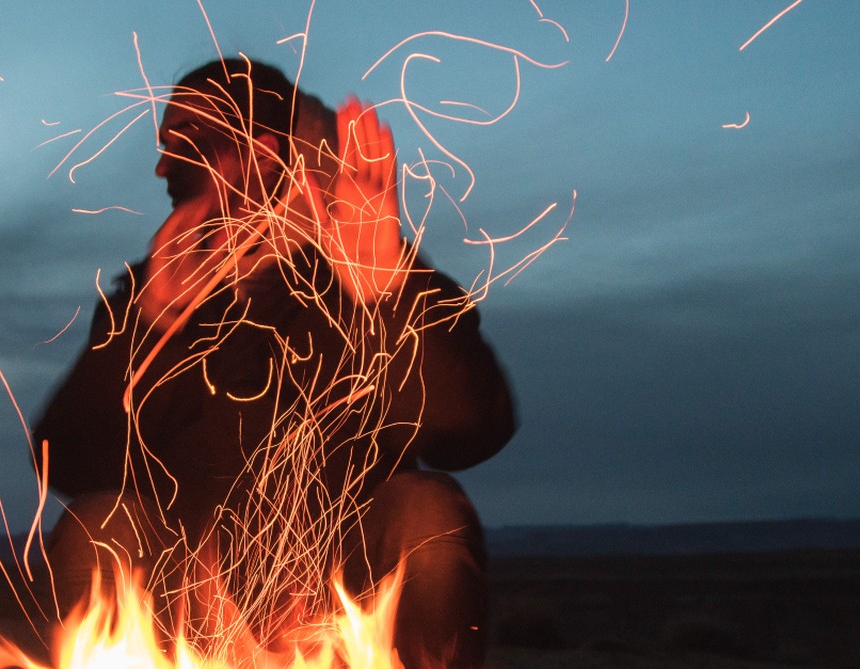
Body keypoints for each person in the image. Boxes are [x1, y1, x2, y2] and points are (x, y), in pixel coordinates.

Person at [32, 58, 516, 668]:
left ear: (260, 151)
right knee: (98, 524)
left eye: (185, 142)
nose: (161, 165)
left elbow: (469, 432)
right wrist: (148, 323)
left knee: (427, 511)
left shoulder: (371, 266)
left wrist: (386, 287)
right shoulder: (146, 298)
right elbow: (65, 461)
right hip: (185, 605)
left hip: (351, 603)